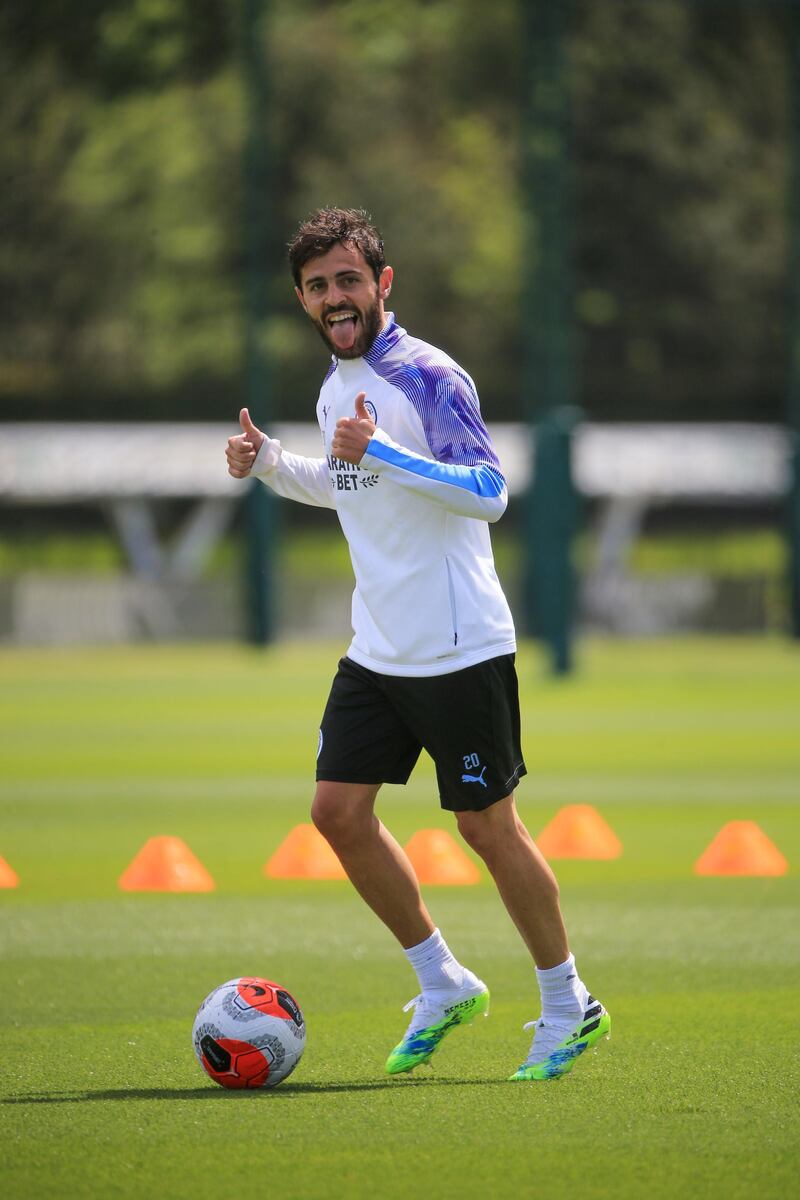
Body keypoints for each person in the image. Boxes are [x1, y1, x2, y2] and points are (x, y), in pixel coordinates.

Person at [225, 207, 610, 1081]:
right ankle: (443, 981)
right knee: (336, 813)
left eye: (349, 280)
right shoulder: (335, 386)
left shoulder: (430, 376)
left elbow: (487, 491)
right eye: (318, 286)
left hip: (458, 646)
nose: (335, 297)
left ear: (382, 284)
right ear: (302, 299)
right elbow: (352, 483)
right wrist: (273, 465)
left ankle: (569, 1004)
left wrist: (391, 455)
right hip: (379, 650)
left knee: (486, 826)